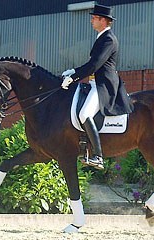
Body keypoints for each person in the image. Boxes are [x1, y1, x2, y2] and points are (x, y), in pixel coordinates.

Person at [61, 4, 134, 170]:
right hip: (95, 83)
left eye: (94, 18)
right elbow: (91, 64)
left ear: (104, 20)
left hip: (104, 86)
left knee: (85, 113)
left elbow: (94, 65)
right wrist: (74, 70)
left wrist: (73, 78)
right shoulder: (101, 37)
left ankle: (98, 156)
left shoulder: (108, 39)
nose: (92, 20)